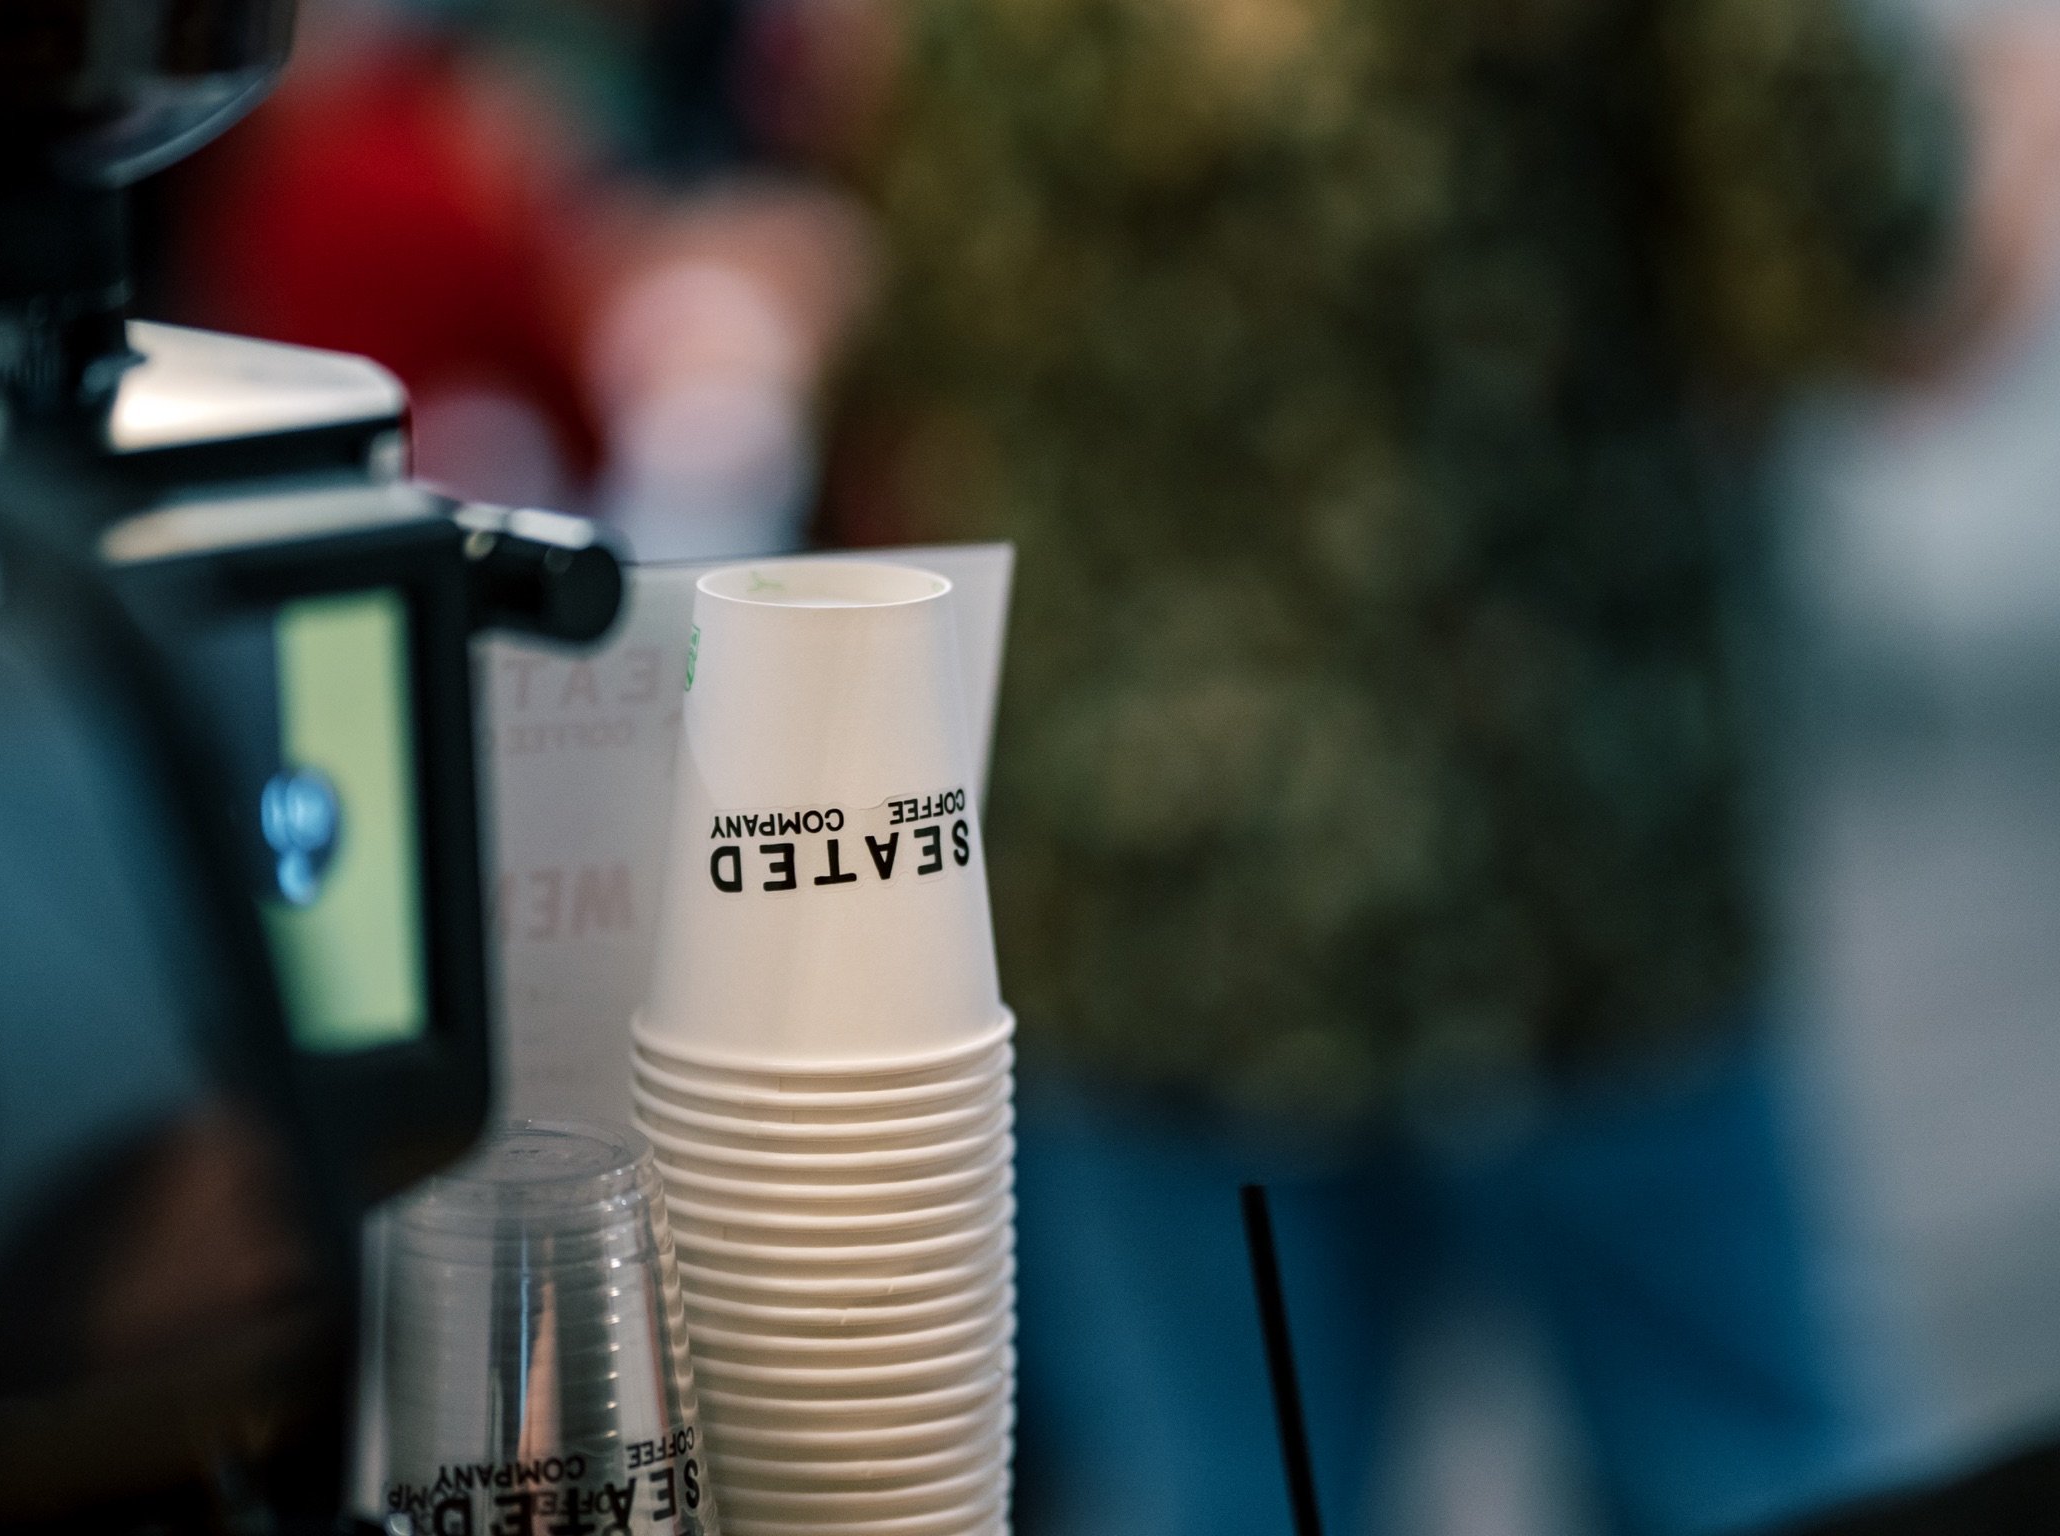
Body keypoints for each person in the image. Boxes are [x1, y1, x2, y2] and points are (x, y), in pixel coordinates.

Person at [823, 0, 1958, 1530]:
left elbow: (911, 340)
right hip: (1558, 871)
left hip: (1147, 879)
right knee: (1733, 1461)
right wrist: (2014, 124)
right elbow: (1856, 271)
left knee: (1223, 1489)